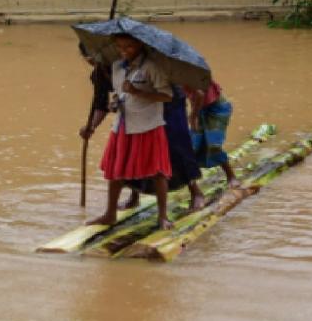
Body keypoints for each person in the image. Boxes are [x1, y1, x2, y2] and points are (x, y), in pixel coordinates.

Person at [79, 46, 205, 212]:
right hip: (134, 110)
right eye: (89, 58)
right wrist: (91, 126)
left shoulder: (142, 64)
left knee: (175, 146)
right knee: (133, 151)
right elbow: (100, 104)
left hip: (168, 105)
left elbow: (165, 90)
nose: (94, 61)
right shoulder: (101, 74)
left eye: (96, 57)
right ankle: (134, 195)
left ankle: (195, 191)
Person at [85, 34, 175, 231]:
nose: (124, 51)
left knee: (158, 172)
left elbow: (167, 96)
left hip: (148, 125)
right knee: (115, 171)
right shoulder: (117, 67)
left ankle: (162, 216)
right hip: (122, 126)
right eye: (120, 47)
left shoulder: (152, 67)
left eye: (129, 47)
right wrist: (115, 102)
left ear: (140, 45)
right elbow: (118, 93)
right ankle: (110, 214)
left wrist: (138, 92)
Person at [188, 80, 240, 189]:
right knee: (192, 148)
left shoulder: (189, 70)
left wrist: (193, 116)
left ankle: (231, 176)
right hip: (199, 109)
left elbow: (200, 94)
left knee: (214, 145)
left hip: (216, 108)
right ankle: (194, 189)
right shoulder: (171, 72)